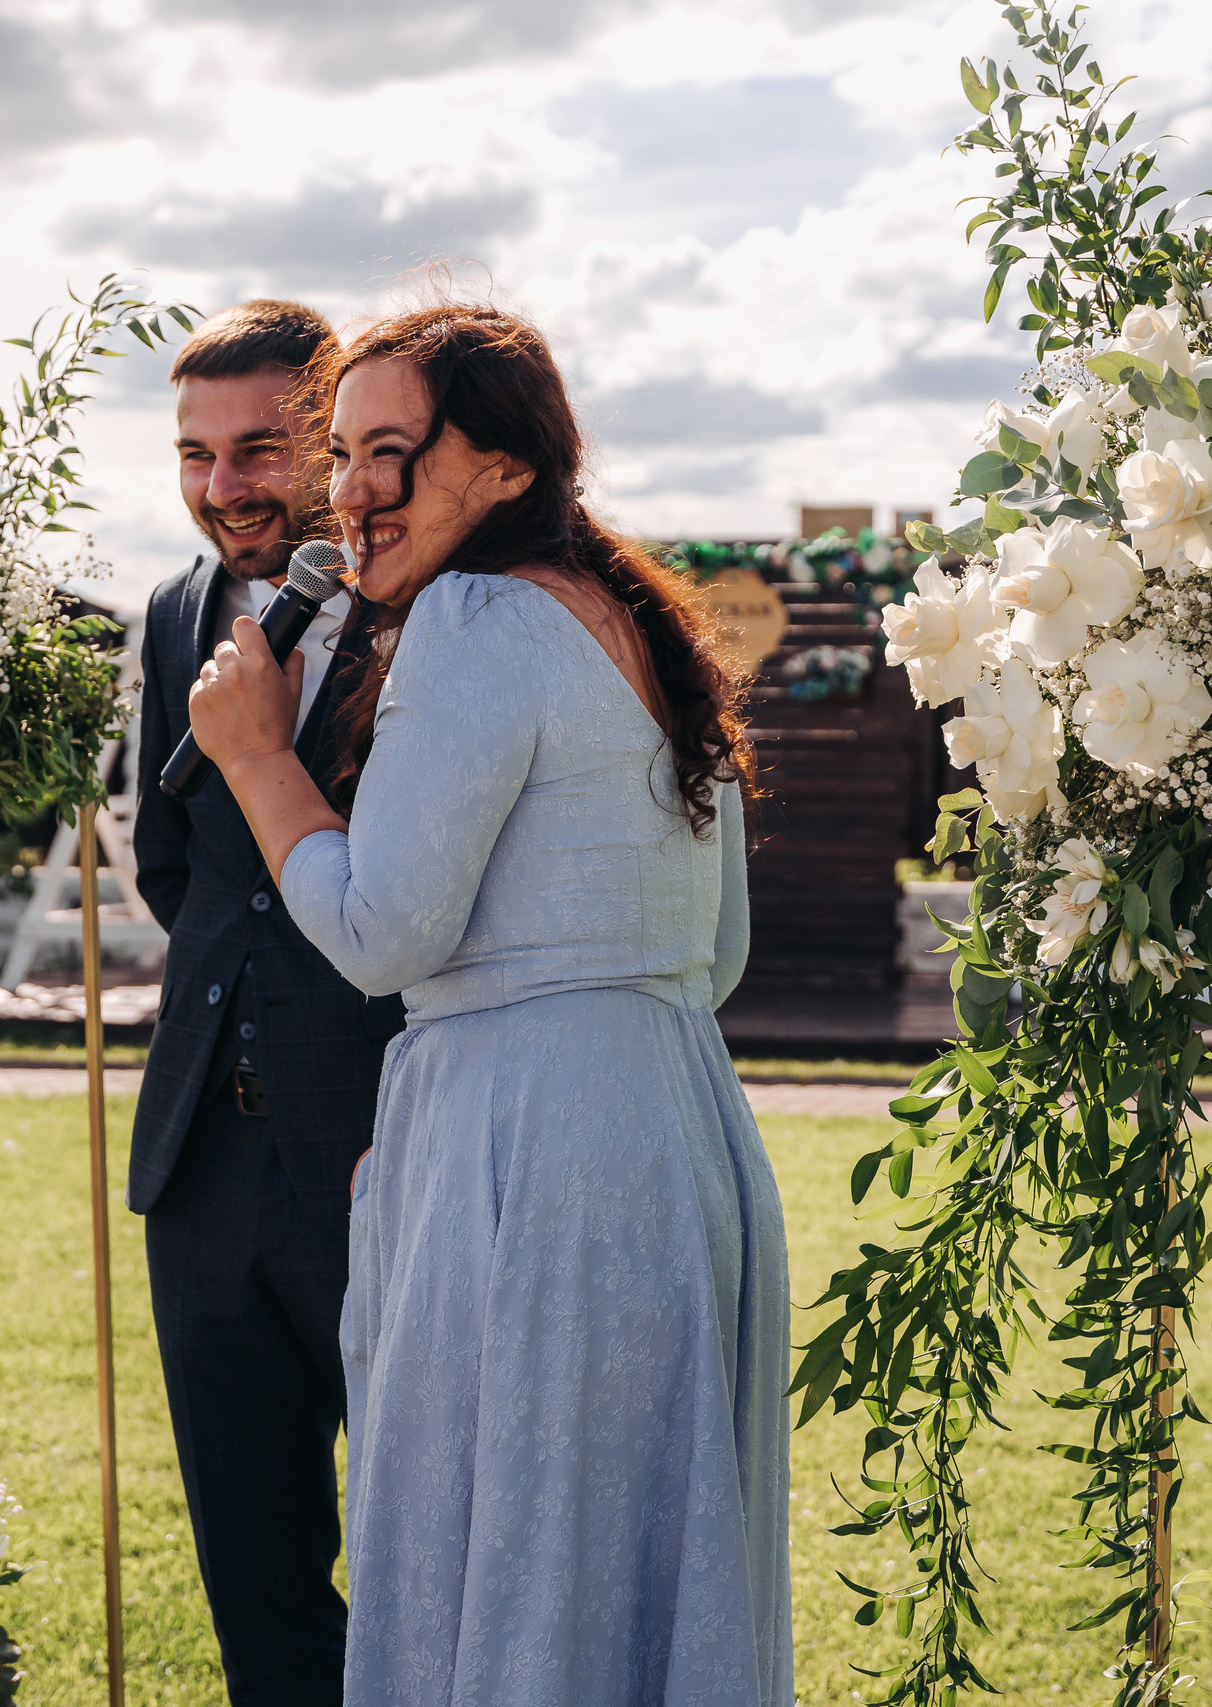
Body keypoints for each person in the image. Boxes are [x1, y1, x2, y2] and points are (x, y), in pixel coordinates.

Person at [186, 303, 794, 1706]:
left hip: (528, 1166)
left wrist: (258, 758)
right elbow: (717, 956)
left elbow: (382, 932)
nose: (352, 493)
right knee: (632, 1566)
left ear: (508, 465)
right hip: (678, 1134)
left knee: (517, 1566)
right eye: (341, 453)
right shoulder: (640, 629)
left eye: (391, 452)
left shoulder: (471, 618)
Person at [128, 298, 405, 1707]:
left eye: (258, 449)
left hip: (381, 1151)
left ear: (337, 441)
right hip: (202, 1165)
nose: (223, 485)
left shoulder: (431, 610)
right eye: (195, 453)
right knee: (253, 1572)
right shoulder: (174, 614)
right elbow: (172, 866)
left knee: (427, 1552)